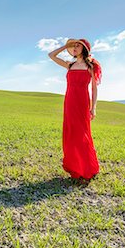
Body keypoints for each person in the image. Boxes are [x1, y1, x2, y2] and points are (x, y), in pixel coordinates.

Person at [48, 38, 102, 183]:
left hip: (82, 102)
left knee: (82, 133)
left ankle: (87, 168)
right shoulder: (70, 65)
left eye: (78, 46)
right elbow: (51, 55)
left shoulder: (91, 66)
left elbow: (94, 89)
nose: (75, 48)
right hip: (69, 102)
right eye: (74, 46)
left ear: (84, 49)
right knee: (71, 133)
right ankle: (76, 168)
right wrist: (65, 46)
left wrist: (93, 108)